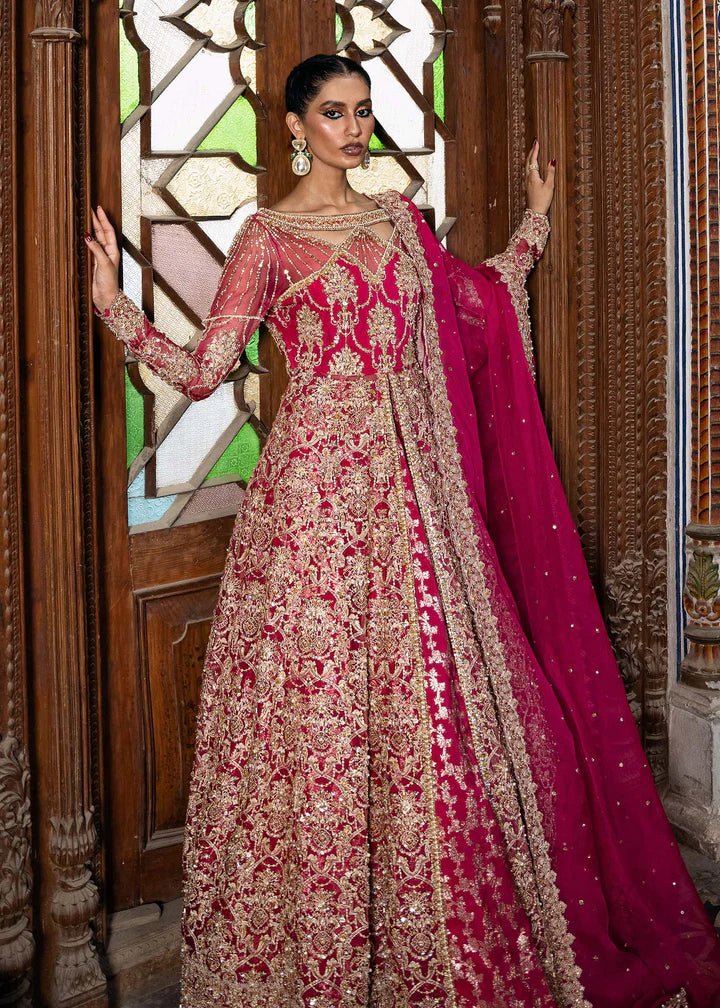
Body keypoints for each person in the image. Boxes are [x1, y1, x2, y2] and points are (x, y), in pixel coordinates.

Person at [87, 52, 720, 1008]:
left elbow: (480, 303)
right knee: (320, 710)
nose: (355, 128)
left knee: (429, 702)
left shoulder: (397, 222)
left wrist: (535, 223)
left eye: (364, 111)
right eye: (334, 113)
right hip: (307, 508)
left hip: (416, 494)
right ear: (294, 127)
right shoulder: (267, 236)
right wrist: (114, 307)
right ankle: (320, 950)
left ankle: (434, 940)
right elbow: (207, 369)